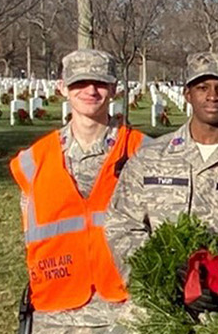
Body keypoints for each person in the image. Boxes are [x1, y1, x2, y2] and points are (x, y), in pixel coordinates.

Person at [103, 51, 218, 321]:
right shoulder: (151, 158)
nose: (213, 96)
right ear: (187, 94)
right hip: (159, 309)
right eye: (202, 88)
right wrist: (163, 275)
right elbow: (122, 225)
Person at [9, 49, 148, 333]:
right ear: (62, 87)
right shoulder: (32, 161)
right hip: (55, 311)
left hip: (126, 308)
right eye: (79, 83)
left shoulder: (145, 152)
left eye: (99, 83)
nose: (90, 90)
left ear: (114, 88)